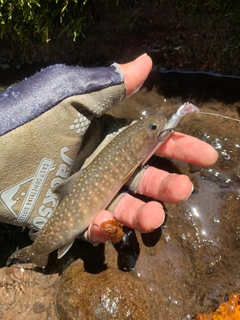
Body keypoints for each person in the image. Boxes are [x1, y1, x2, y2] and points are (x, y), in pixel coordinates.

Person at [0, 54, 218, 245]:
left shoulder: (135, 147)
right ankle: (40, 248)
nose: (158, 126)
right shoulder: (132, 147)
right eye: (153, 128)